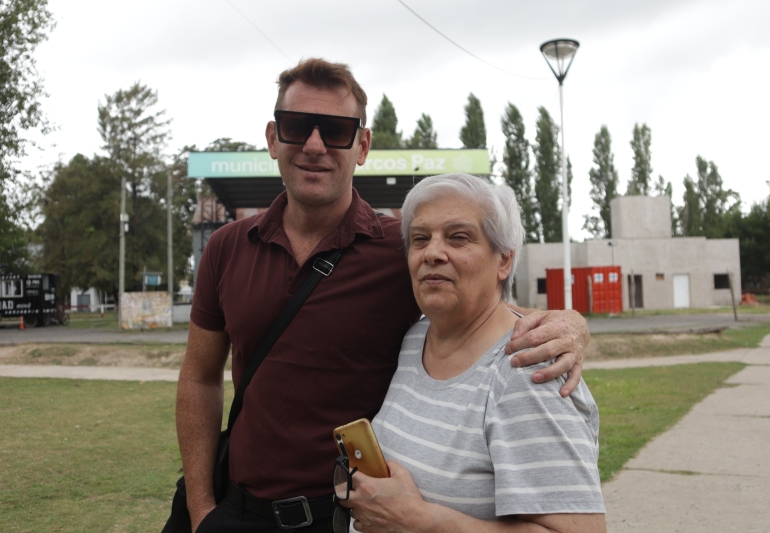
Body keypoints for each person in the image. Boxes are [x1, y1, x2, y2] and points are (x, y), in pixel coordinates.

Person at [177, 58, 591, 533]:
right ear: (273, 138)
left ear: (363, 145)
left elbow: (485, 307)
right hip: (236, 511)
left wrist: (572, 326)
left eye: (336, 130)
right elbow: (199, 377)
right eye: (297, 127)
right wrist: (201, 508)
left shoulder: (404, 250)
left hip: (348, 515)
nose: (314, 145)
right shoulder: (227, 247)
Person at [341, 173, 605, 533]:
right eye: (420, 239)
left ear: (503, 262)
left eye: (458, 237)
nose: (432, 253)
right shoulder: (415, 339)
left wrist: (418, 521)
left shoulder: (526, 370)